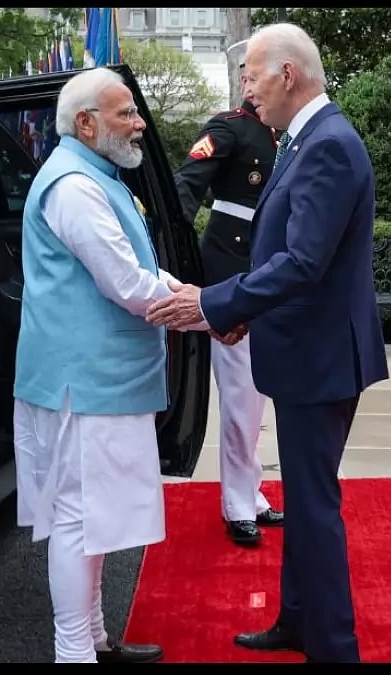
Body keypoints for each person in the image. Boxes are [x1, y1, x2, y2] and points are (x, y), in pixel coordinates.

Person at [146, 23, 389, 662]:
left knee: (313, 507)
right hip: (305, 344)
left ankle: (333, 647)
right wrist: (248, 314)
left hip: (320, 356)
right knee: (307, 500)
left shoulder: (328, 145)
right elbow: (293, 255)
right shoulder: (308, 139)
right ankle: (298, 621)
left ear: (287, 74)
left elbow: (303, 261)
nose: (247, 90)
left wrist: (211, 301)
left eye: (252, 75)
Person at [14, 66, 204, 663]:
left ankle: (94, 639)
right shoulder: (75, 186)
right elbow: (127, 283)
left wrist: (195, 296)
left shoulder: (97, 175)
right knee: (77, 519)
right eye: (125, 113)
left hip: (101, 381)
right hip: (82, 385)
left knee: (91, 519)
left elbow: (143, 266)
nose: (138, 121)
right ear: (88, 123)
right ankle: (73, 652)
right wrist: (210, 313)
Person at [173, 55, 284, 547]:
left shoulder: (285, 131)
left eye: (257, 75)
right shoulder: (229, 127)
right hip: (231, 268)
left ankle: (252, 492)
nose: (250, 84)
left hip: (269, 270)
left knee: (256, 397)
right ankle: (238, 503)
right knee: (240, 393)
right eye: (247, 76)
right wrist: (167, 250)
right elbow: (186, 187)